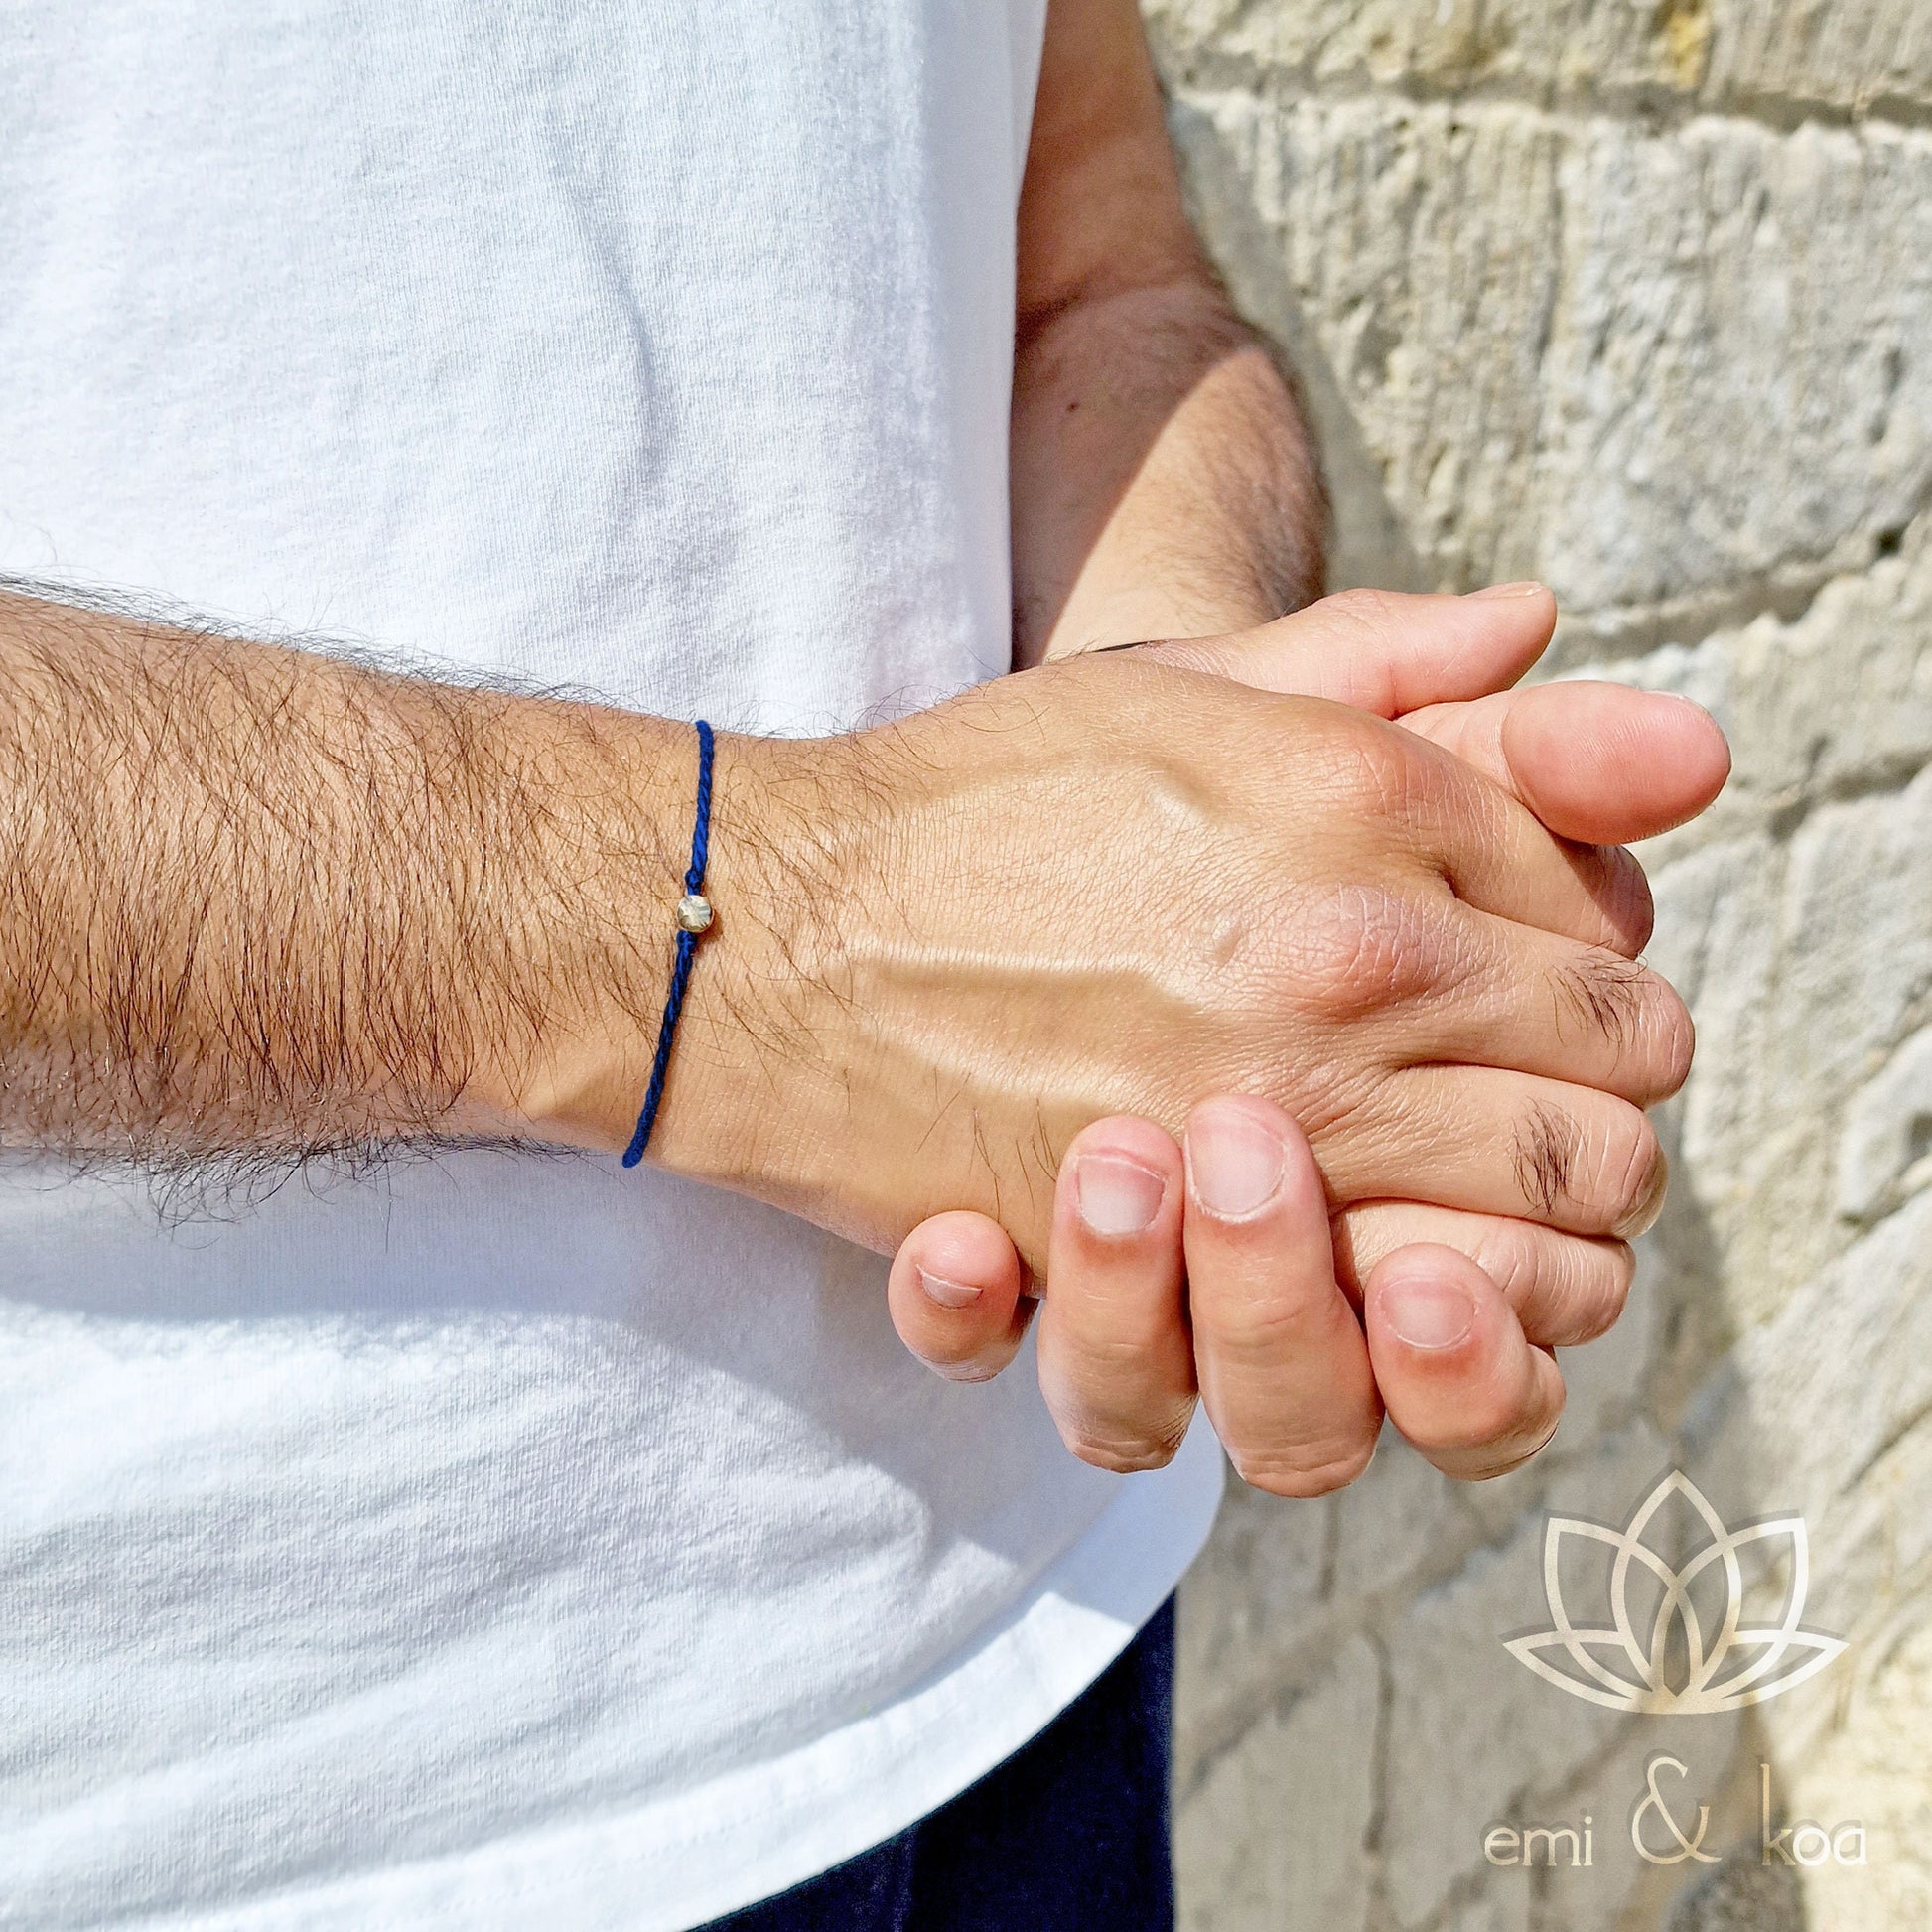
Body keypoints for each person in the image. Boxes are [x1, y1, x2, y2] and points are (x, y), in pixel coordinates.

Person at [0, 2, 1725, 1928]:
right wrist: (792, 949)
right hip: (235, 1795)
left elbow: (1105, 282)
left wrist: (1180, 771)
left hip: (1018, 1641)